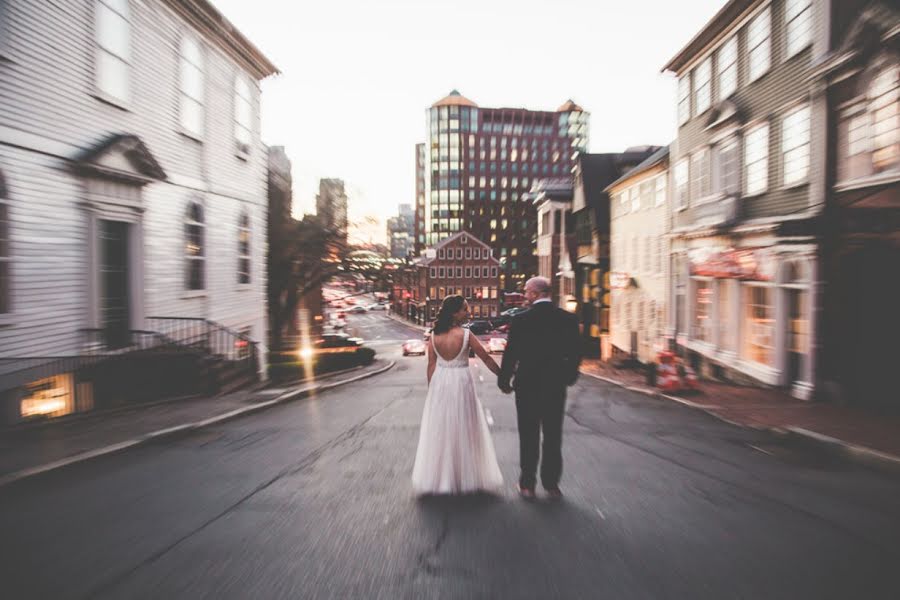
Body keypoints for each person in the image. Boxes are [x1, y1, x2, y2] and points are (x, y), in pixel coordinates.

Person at [412, 295, 504, 495]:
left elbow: (431, 365)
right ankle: (463, 476)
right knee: (465, 427)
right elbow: (486, 357)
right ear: (455, 312)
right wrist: (503, 376)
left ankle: (441, 478)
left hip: (440, 382)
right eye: (464, 309)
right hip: (461, 381)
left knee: (442, 429)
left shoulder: (434, 336)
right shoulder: (465, 334)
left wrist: (432, 390)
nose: (468, 312)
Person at [498, 277, 580, 499]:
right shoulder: (567, 319)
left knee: (529, 435)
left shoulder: (522, 320)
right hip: (554, 385)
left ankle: (527, 484)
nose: (524, 296)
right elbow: (574, 352)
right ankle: (552, 484)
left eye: (526, 292)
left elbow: (511, 353)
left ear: (535, 293)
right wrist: (569, 376)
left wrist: (504, 380)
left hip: (527, 385)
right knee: (553, 436)